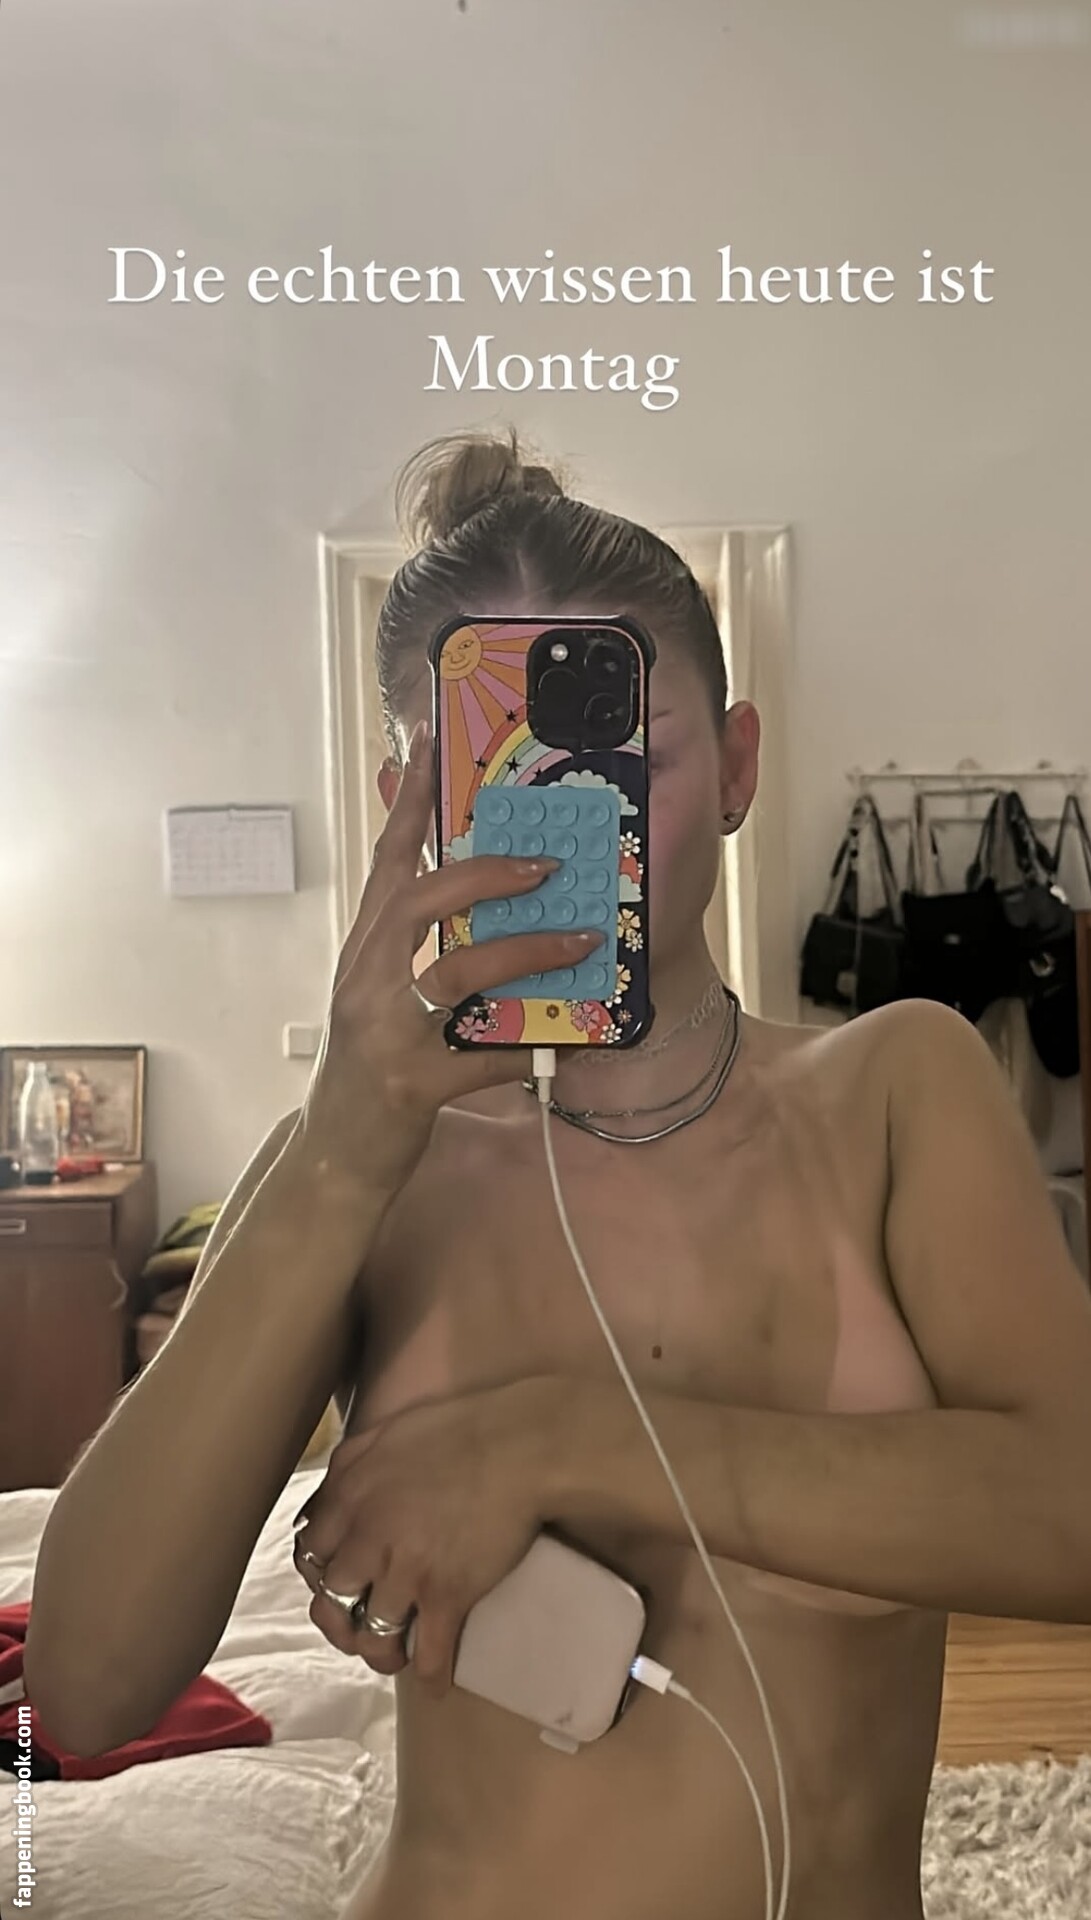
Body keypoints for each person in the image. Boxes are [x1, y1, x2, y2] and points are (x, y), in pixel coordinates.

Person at [26, 429, 1091, 1920]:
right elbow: (84, 1687)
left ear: (738, 766)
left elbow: (1071, 1514)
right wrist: (338, 1154)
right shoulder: (363, 1168)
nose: (573, 822)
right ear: (408, 801)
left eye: (625, 755)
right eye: (501, 770)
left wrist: (556, 1442)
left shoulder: (899, 1087)